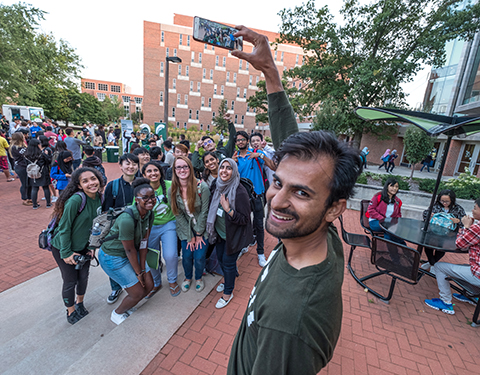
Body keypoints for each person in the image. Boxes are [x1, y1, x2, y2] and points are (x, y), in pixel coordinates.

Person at [226, 25, 362, 374]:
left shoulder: (290, 322)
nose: (277, 199)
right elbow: (299, 160)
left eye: (300, 193)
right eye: (277, 182)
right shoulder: (318, 232)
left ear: (335, 208)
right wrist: (270, 73)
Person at [50, 167, 105, 324]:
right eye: (85, 181)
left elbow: (97, 227)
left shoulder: (100, 198)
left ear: (99, 180)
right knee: (70, 280)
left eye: (93, 179)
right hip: (63, 247)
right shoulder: (76, 200)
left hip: (84, 247)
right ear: (79, 185)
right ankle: (70, 310)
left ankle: (80, 303)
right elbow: (64, 228)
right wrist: (66, 253)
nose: (91, 183)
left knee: (83, 277)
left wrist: (91, 247)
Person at [98, 177, 155, 325]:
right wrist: (138, 274)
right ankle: (117, 314)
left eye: (152, 197)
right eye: (145, 198)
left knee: (149, 286)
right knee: (138, 292)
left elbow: (144, 243)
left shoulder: (149, 214)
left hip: (130, 253)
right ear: (136, 199)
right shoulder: (127, 219)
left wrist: (143, 269)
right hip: (113, 256)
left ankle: (129, 305)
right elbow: (129, 250)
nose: (150, 200)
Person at [207, 158, 253, 308]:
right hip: (220, 233)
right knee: (221, 258)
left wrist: (229, 210)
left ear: (234, 171)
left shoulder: (239, 192)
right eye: (222, 167)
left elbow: (245, 219)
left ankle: (228, 292)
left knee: (228, 262)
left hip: (234, 236)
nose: (224, 171)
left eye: (228, 168)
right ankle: (229, 279)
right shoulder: (217, 185)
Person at [424, 198, 480, 315]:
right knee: (463, 267)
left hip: (477, 274)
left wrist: (466, 227)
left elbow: (459, 244)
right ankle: (473, 296)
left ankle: (446, 302)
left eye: (475, 208)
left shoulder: (477, 229)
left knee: (439, 266)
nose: (472, 210)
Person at [232, 130, 276, 267]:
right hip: (242, 197)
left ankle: (261, 253)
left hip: (257, 194)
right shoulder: (235, 157)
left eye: (242, 139)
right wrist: (231, 164)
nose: (240, 142)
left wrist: (261, 156)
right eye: (238, 140)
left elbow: (273, 166)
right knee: (244, 223)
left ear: (247, 140)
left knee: (258, 224)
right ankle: (244, 246)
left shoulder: (256, 154)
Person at [102, 153, 140, 303]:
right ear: (121, 166)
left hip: (138, 229)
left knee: (134, 256)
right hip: (117, 231)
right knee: (116, 257)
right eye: (127, 164)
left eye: (134, 164)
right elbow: (106, 211)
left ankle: (135, 282)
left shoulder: (142, 183)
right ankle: (115, 287)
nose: (131, 167)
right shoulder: (113, 186)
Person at [170, 156, 210, 293]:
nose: (182, 170)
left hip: (202, 227)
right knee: (187, 256)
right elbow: (177, 214)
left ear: (190, 168)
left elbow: (205, 212)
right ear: (174, 170)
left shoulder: (201, 187)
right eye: (178, 167)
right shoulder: (172, 190)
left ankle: (198, 277)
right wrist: (189, 236)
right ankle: (188, 278)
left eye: (185, 166)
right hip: (185, 228)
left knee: (199, 257)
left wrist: (198, 234)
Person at [141, 161, 180, 298]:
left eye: (155, 170)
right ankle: (156, 282)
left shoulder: (170, 185)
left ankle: (172, 281)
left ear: (160, 172)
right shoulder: (141, 189)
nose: (153, 173)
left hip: (169, 224)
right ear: (144, 174)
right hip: (149, 227)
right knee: (151, 257)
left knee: (170, 255)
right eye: (149, 171)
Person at [421, 189, 466, 271]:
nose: (444, 203)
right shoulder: (436, 206)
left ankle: (432, 263)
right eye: (442, 201)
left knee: (442, 249)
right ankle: (432, 264)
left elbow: (464, 221)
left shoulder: (458, 209)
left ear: (452, 200)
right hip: (434, 232)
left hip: (448, 234)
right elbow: (425, 214)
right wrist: (430, 215)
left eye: (447, 201)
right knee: (428, 246)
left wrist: (458, 221)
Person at [367, 177, 405, 243]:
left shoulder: (397, 201)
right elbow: (371, 209)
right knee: (389, 229)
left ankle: (390, 248)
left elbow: (398, 214)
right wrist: (382, 219)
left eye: (396, 186)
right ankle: (403, 246)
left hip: (389, 223)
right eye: (392, 186)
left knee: (390, 232)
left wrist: (396, 222)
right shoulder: (378, 196)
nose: (394, 188)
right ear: (387, 186)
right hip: (375, 222)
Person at [25, 138, 52, 209]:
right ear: (37, 145)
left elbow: (26, 163)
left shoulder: (26, 154)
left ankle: (35, 205)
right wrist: (46, 154)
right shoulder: (42, 154)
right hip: (42, 172)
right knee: (45, 187)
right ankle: (48, 203)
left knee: (34, 188)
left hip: (32, 173)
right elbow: (49, 161)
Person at [9, 132, 31, 204]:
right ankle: (24, 199)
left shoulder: (21, 146)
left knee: (28, 183)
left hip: (24, 166)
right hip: (20, 167)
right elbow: (26, 153)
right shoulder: (15, 147)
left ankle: (29, 197)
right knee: (24, 183)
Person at [38, 135, 57, 203]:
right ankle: (49, 195)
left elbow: (49, 160)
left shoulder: (47, 149)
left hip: (48, 168)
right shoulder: (42, 148)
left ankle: (54, 195)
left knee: (50, 183)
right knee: (46, 183)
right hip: (44, 168)